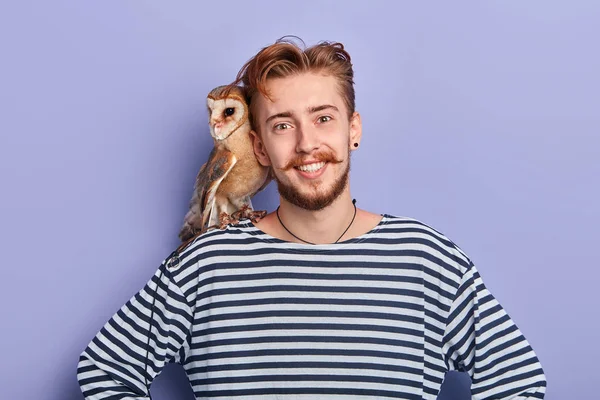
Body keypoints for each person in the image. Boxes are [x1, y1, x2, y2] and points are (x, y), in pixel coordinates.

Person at [77, 37, 547, 399]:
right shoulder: (207, 265)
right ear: (259, 146)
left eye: (323, 118)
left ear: (353, 130)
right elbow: (104, 369)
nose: (305, 144)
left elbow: (519, 379)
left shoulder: (427, 261)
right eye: (282, 125)